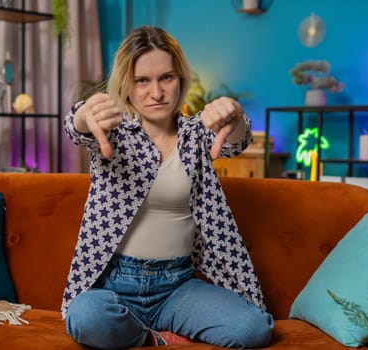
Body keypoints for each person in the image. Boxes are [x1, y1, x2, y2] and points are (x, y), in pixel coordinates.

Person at [62, 25, 273, 349]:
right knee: (86, 317)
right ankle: (151, 339)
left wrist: (236, 116)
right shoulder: (113, 131)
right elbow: (78, 128)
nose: (156, 93)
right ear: (126, 85)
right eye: (142, 80)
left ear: (181, 80)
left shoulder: (196, 134)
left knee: (253, 328)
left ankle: (142, 333)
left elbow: (236, 141)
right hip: (116, 284)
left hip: (177, 287)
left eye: (166, 78)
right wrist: (83, 114)